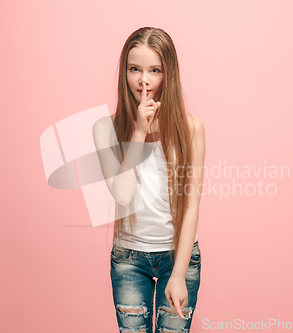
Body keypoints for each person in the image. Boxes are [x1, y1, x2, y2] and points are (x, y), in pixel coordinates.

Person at [93, 26, 206, 333]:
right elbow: (123, 195)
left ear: (168, 75)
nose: (143, 80)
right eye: (135, 69)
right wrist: (139, 132)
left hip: (178, 256)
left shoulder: (191, 129)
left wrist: (180, 274)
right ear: (125, 73)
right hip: (129, 258)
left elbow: (192, 206)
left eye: (154, 70)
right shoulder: (105, 129)